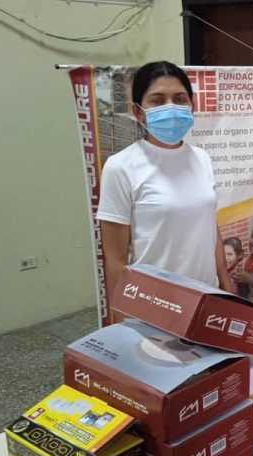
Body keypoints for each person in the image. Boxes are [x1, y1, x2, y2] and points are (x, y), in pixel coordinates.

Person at [96, 61, 230, 321]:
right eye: (157, 100)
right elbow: (115, 260)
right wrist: (118, 324)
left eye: (179, 99)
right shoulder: (121, 166)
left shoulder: (201, 158)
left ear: (191, 105)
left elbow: (209, 227)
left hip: (207, 298)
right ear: (138, 111)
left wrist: (226, 286)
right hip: (153, 304)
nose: (171, 107)